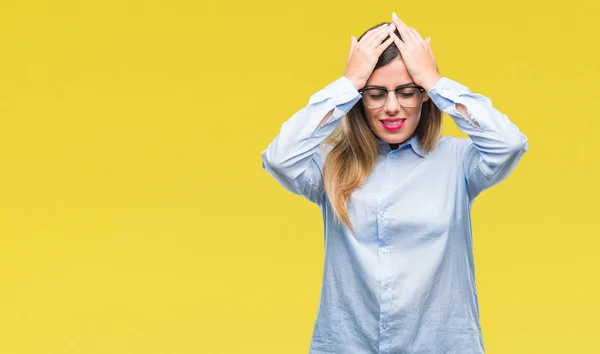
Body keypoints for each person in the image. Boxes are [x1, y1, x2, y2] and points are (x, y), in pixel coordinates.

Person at [261, 12, 528, 354]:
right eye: (375, 93)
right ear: (360, 98)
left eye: (406, 92)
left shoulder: (457, 161)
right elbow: (278, 158)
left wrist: (434, 81)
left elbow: (510, 144)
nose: (392, 107)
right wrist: (347, 83)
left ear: (424, 96)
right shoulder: (332, 165)